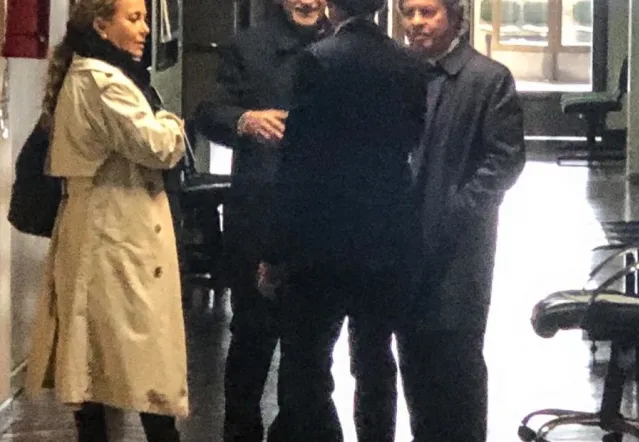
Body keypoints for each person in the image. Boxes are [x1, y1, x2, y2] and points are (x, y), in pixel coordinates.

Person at [263, 1, 427, 441]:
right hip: (386, 231)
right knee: (375, 361)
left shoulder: (317, 60)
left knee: (307, 362)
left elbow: (298, 162)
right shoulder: (409, 64)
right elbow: (412, 139)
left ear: (332, 7)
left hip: (324, 236)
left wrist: (276, 251)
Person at [24, 0, 188, 441]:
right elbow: (157, 145)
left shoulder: (91, 74)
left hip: (104, 229)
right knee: (142, 363)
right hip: (116, 234)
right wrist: (171, 122)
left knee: (99, 368)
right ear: (100, 25)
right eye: (133, 19)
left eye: (145, 18)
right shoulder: (103, 82)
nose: (145, 29)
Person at [193, 1, 332, 441]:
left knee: (310, 348)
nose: (307, 2)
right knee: (252, 336)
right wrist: (244, 120)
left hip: (321, 220)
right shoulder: (248, 47)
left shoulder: (341, 45)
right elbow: (208, 112)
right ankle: (241, 432)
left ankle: (294, 431)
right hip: (258, 217)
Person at [395, 0, 525, 440]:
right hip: (402, 246)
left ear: (454, 17)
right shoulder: (400, 74)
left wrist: (456, 210)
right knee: (413, 361)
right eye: (409, 13)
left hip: (460, 251)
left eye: (427, 12)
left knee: (457, 364)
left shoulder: (488, 79)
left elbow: (505, 161)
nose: (416, 22)